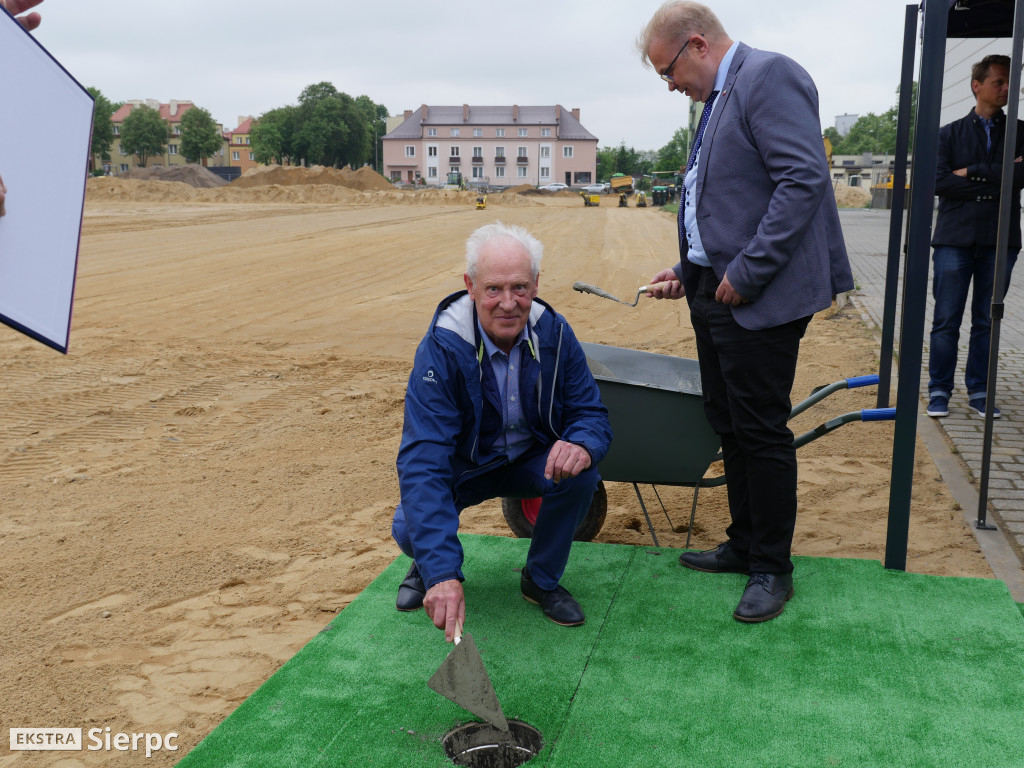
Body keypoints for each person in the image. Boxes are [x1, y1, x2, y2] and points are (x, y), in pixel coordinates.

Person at [636, 2, 853, 622]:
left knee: (759, 428)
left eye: (668, 71)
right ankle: (744, 544)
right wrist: (687, 270)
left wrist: (747, 271)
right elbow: (721, 198)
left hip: (759, 294)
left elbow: (802, 181)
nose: (670, 85)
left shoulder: (768, 76)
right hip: (715, 287)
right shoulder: (718, 97)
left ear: (697, 45)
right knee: (728, 421)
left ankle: (772, 567)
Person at [391, 221, 612, 641]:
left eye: (520, 288)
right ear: (471, 286)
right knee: (407, 527)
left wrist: (582, 443)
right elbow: (423, 459)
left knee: (582, 474)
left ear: (536, 284)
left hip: (530, 458)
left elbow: (590, 411)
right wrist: (442, 573)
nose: (508, 303)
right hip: (467, 467)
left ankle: (540, 580)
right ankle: (429, 566)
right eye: (493, 289)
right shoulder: (441, 348)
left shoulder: (555, 332)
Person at [926, 54, 1024, 420]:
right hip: (954, 238)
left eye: (1010, 82)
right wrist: (998, 179)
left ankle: (980, 391)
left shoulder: (1020, 132)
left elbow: (1022, 177)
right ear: (977, 85)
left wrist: (972, 172)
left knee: (987, 320)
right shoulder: (947, 134)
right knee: (946, 320)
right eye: (999, 82)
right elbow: (938, 181)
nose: (1007, 88)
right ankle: (939, 390)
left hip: (1000, 238)